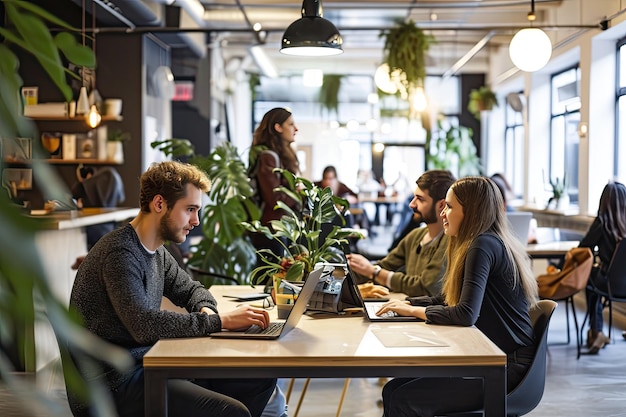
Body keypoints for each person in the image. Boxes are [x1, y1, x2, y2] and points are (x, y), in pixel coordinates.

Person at [69, 161, 276, 417]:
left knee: (258, 379)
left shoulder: (158, 253)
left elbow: (192, 290)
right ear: (159, 204)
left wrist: (207, 312)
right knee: (230, 411)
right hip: (111, 386)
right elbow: (143, 325)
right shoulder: (120, 252)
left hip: (148, 366)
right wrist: (219, 322)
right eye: (190, 209)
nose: (196, 221)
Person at [376, 176, 538, 417]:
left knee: (402, 398)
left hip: (506, 368)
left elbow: (465, 314)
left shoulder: (483, 245)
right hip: (491, 356)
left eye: (449, 206)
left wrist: (412, 311)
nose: (443, 212)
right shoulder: (477, 242)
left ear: (471, 211)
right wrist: (407, 303)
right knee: (393, 389)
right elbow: (449, 299)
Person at [346, 170, 455, 298]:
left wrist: (374, 272)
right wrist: (344, 272)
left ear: (441, 205)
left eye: (420, 199)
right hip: (408, 309)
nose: (412, 204)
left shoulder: (450, 242)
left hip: (426, 316)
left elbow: (426, 287)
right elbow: (386, 265)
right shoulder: (415, 236)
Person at [248, 107, 301, 269]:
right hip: (271, 230)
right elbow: (275, 199)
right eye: (291, 124)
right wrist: (297, 193)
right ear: (277, 127)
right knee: (271, 281)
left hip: (277, 229)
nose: (296, 128)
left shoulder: (279, 156)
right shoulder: (268, 157)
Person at [579, 181, 626, 354]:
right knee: (596, 279)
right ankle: (596, 333)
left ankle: (596, 331)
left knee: (592, 281)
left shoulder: (602, 222)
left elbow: (583, 248)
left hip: (609, 285)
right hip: (623, 285)